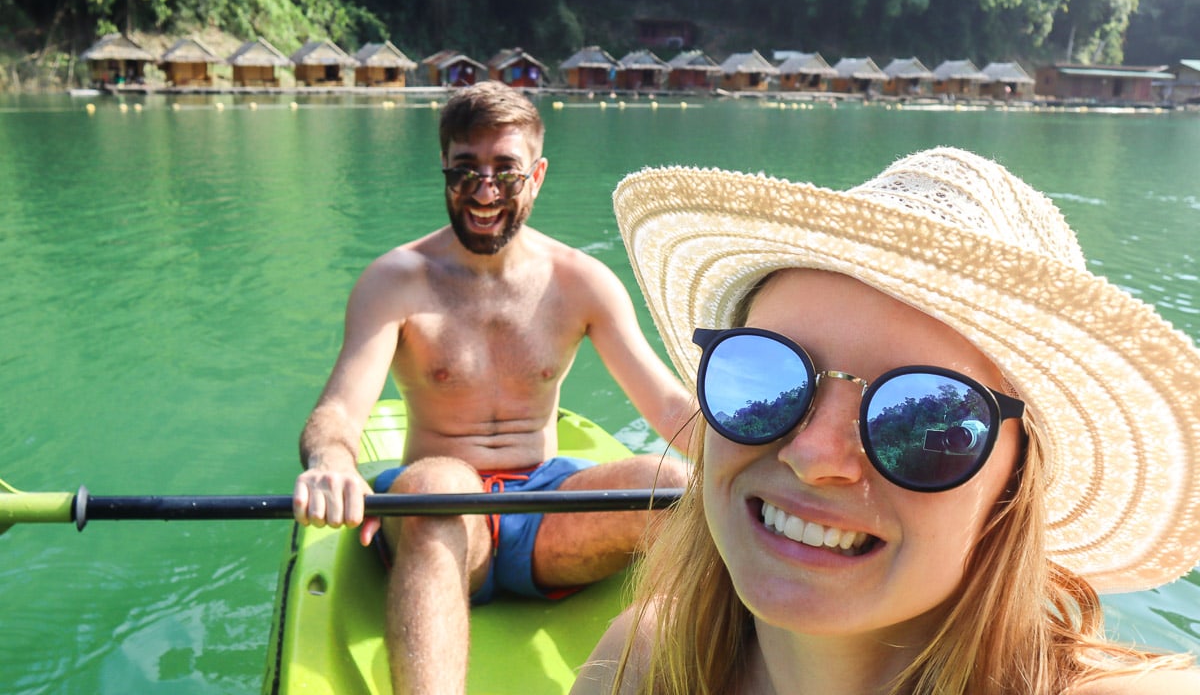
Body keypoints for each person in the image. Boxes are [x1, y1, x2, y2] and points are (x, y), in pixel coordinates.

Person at [574, 147, 1200, 694]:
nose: (816, 454)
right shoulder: (640, 664)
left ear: (1013, 486)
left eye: (929, 416)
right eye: (766, 373)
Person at [292, 81, 692, 694]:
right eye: (465, 171)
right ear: (445, 170)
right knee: (439, 482)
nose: (484, 192)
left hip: (550, 513)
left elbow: (667, 406)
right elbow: (341, 411)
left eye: (505, 171)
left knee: (673, 489)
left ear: (536, 175)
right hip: (439, 510)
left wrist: (748, 454)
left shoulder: (580, 281)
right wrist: (330, 463)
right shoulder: (396, 281)